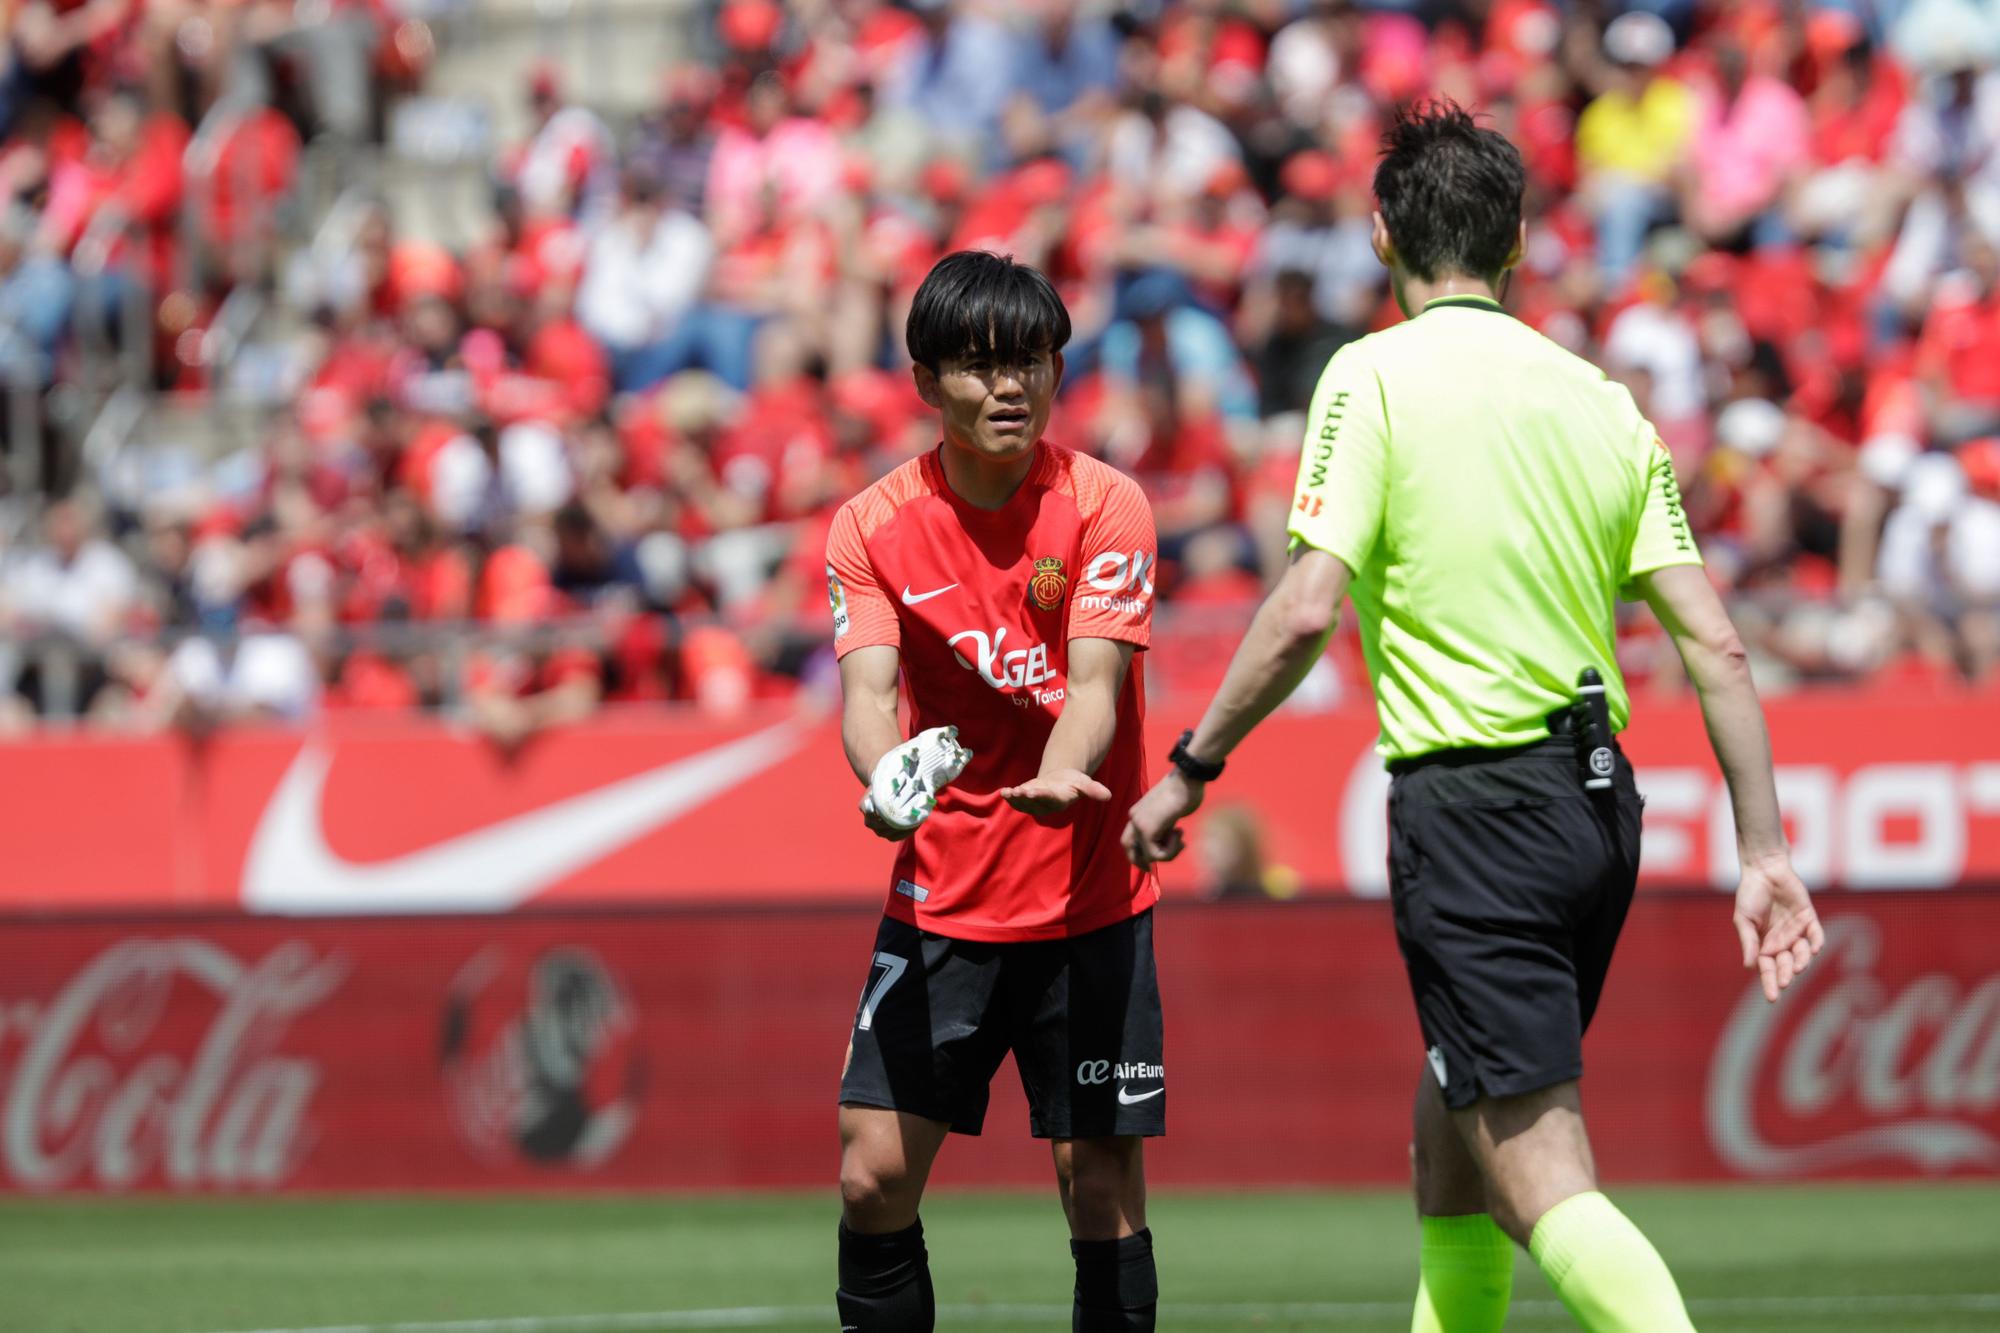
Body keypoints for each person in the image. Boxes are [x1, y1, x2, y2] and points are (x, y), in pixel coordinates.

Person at [1124, 102, 1824, 1333]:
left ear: (1382, 230)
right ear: (1516, 245)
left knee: (1533, 1173)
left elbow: (1301, 612)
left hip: (1474, 805)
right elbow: (1713, 639)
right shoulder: (1601, 399)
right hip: (1596, 807)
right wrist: (1762, 850)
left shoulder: (1370, 376)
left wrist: (1191, 763)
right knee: (1449, 1130)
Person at [826, 251, 1163, 1333]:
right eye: (977, 366)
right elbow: (868, 695)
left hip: (1088, 898)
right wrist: (884, 780)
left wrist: (1068, 766)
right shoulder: (870, 526)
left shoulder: (1106, 504)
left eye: (1029, 360)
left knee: (1097, 1189)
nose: (1008, 385)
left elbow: (1096, 681)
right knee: (871, 1176)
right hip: (941, 902)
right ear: (925, 382)